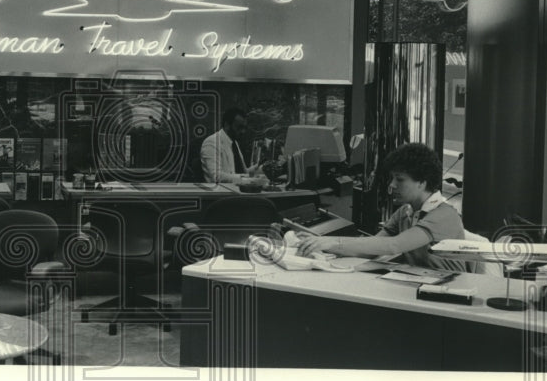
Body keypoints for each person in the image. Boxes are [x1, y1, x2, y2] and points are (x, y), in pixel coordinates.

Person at [295, 142, 466, 272]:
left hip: (453, 294)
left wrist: (331, 242)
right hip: (420, 287)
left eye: (399, 179)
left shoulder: (444, 215)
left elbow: (394, 246)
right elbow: (373, 247)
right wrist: (318, 242)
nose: (391, 185)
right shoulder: (405, 212)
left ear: (422, 182)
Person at [200, 107, 260, 183]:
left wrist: (260, 167)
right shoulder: (212, 142)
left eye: (244, 128)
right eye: (239, 127)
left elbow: (243, 172)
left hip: (235, 190)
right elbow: (216, 176)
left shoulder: (234, 143)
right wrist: (245, 178)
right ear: (227, 125)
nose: (243, 132)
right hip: (220, 193)